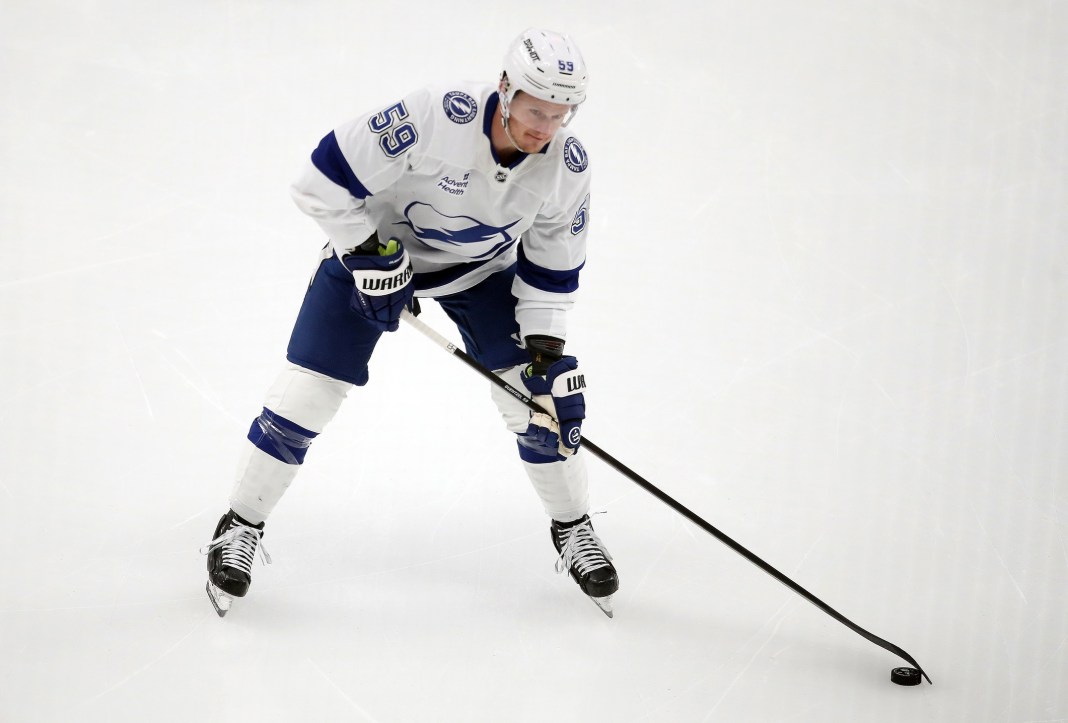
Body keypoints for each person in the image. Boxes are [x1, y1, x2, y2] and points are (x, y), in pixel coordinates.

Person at [201, 28, 618, 618]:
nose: (545, 129)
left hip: (475, 272)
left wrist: (546, 356)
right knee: (310, 392)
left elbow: (551, 275)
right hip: (376, 250)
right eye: (534, 110)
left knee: (537, 404)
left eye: (560, 114)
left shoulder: (566, 169)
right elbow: (318, 182)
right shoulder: (432, 115)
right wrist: (369, 254)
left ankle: (572, 527)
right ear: (505, 87)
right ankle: (239, 524)